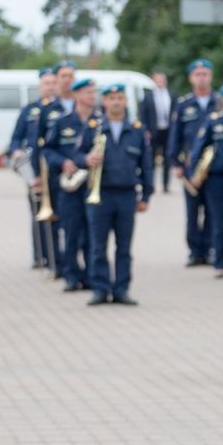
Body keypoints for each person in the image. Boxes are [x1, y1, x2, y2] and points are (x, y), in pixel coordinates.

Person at [78, 84, 152, 306]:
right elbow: (77, 152)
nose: (116, 102)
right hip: (100, 195)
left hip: (127, 195)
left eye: (120, 98)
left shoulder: (137, 129)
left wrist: (146, 196)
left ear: (126, 101)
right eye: (111, 98)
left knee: (124, 247)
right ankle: (100, 288)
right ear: (105, 102)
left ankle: (121, 289)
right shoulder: (94, 128)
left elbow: (146, 166)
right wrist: (86, 159)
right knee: (98, 246)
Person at [43, 78, 99, 292]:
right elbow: (48, 150)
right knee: (72, 231)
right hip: (70, 186)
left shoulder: (100, 121)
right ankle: (71, 275)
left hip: (93, 184)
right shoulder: (63, 122)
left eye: (94, 92)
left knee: (92, 233)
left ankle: (92, 276)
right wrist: (63, 162)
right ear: (76, 95)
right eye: (88, 92)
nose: (92, 97)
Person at [187, 82, 223, 279]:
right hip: (217, 178)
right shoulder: (214, 122)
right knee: (219, 221)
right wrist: (194, 174)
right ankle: (219, 262)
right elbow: (198, 149)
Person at [168, 58, 220, 267]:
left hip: (215, 166)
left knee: (212, 209)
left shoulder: (219, 101)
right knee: (192, 210)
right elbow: (175, 135)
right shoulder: (184, 105)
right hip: (191, 166)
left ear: (211, 76)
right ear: (191, 78)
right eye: (197, 74)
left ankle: (209, 249)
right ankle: (194, 251)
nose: (201, 78)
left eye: (205, 74)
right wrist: (176, 164)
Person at [29, 60, 78, 276]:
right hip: (55, 175)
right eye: (63, 76)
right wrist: (37, 174)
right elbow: (39, 145)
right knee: (56, 221)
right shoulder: (47, 110)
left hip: (80, 174)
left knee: (76, 223)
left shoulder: (82, 105)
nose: (67, 80)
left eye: (71, 76)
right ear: (56, 81)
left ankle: (75, 266)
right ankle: (57, 265)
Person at [9, 67, 57, 270]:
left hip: (56, 170)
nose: (50, 86)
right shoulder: (29, 110)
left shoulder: (63, 109)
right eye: (46, 83)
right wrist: (16, 153)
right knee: (37, 213)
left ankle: (58, 256)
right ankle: (40, 255)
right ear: (39, 85)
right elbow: (15, 139)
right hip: (35, 172)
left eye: (53, 82)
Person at [140, 70, 176, 193]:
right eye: (158, 79)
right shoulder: (148, 96)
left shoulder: (172, 95)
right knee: (151, 160)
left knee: (167, 159)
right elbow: (143, 114)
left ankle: (166, 185)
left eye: (162, 79)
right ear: (153, 80)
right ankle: (151, 185)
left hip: (168, 131)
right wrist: (145, 130)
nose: (160, 81)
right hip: (153, 131)